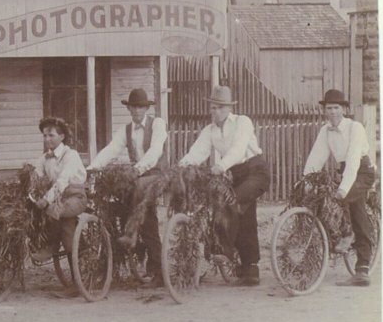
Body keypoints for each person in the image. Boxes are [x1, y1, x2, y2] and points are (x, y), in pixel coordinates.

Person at [178, 85, 270, 286]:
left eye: (220, 107)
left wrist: (220, 165)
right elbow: (196, 153)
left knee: (232, 202)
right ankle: (249, 269)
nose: (216, 112)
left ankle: (224, 251)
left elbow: (238, 150)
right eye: (213, 108)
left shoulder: (242, 122)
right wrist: (180, 168)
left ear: (229, 108)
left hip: (256, 171)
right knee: (242, 214)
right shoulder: (209, 131)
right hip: (235, 176)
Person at [88, 88, 167, 287]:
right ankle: (124, 237)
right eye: (133, 107)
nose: (137, 111)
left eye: (141, 107)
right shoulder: (126, 130)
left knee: (147, 215)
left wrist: (139, 169)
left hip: (157, 174)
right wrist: (93, 167)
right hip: (137, 176)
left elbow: (156, 151)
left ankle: (156, 269)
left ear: (147, 108)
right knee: (115, 195)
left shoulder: (157, 124)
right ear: (129, 108)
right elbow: (112, 149)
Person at [303, 89, 376, 287]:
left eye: (336, 107)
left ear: (344, 109)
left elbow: (353, 160)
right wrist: (305, 181)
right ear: (324, 110)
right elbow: (316, 157)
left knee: (346, 201)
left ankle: (353, 247)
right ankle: (347, 243)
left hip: (362, 170)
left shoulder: (355, 128)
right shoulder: (325, 131)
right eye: (329, 108)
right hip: (344, 171)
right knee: (331, 202)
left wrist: (343, 190)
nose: (333, 112)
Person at [29, 117, 88, 266]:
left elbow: (63, 180)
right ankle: (69, 250)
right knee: (63, 224)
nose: (47, 139)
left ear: (61, 137)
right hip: (57, 197)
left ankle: (52, 246)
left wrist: (47, 200)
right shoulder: (44, 158)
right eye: (45, 136)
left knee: (55, 210)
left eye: (51, 135)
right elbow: (36, 177)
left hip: (75, 197)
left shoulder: (70, 155)